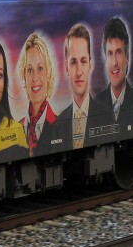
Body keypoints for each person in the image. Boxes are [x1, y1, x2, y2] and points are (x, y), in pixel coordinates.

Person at [40, 23, 103, 152]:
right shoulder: (58, 125)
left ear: (90, 65)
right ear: (67, 67)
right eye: (73, 62)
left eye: (83, 61)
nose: (79, 71)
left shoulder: (106, 116)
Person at [94, 16, 133, 135]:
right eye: (110, 53)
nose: (114, 62)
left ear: (127, 58)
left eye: (119, 52)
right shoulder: (96, 104)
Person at [17, 32, 58, 155]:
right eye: (30, 70)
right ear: (24, 76)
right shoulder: (18, 128)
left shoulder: (60, 125)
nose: (35, 78)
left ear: (48, 73)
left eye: (40, 69)